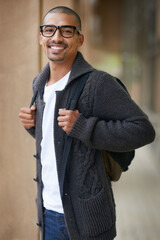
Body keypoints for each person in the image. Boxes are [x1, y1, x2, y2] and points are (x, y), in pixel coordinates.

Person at [19, 6, 155, 240]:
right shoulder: (39, 85)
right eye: (49, 30)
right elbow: (61, 142)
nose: (57, 37)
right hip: (47, 213)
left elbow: (143, 130)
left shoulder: (98, 83)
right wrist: (35, 126)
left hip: (87, 220)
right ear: (41, 37)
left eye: (67, 31)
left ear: (80, 39)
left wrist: (85, 127)